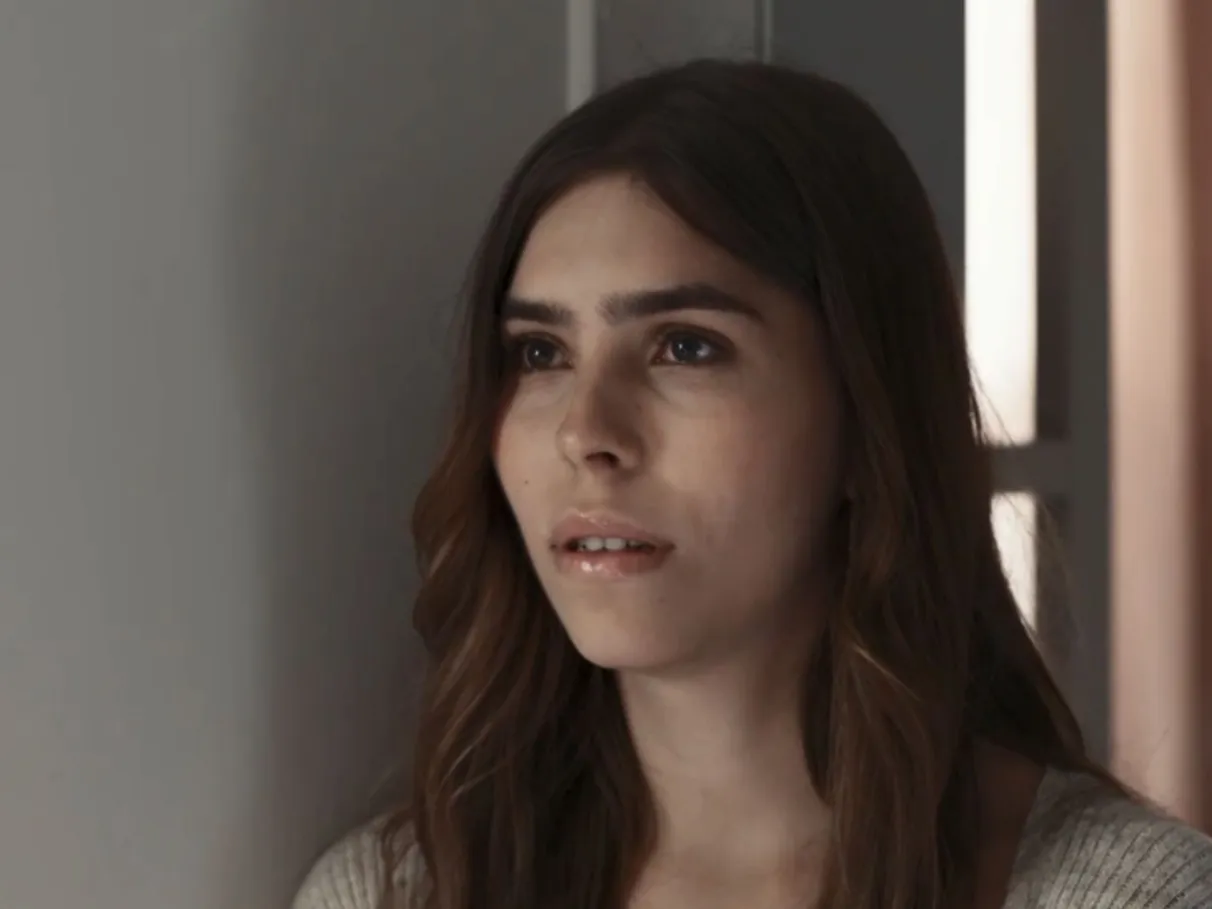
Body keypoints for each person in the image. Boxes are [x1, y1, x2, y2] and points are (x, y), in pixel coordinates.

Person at [293, 59, 1212, 909]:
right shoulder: (390, 893)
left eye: (686, 347)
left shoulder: (1122, 895)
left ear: (866, 416)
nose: (586, 432)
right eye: (540, 352)